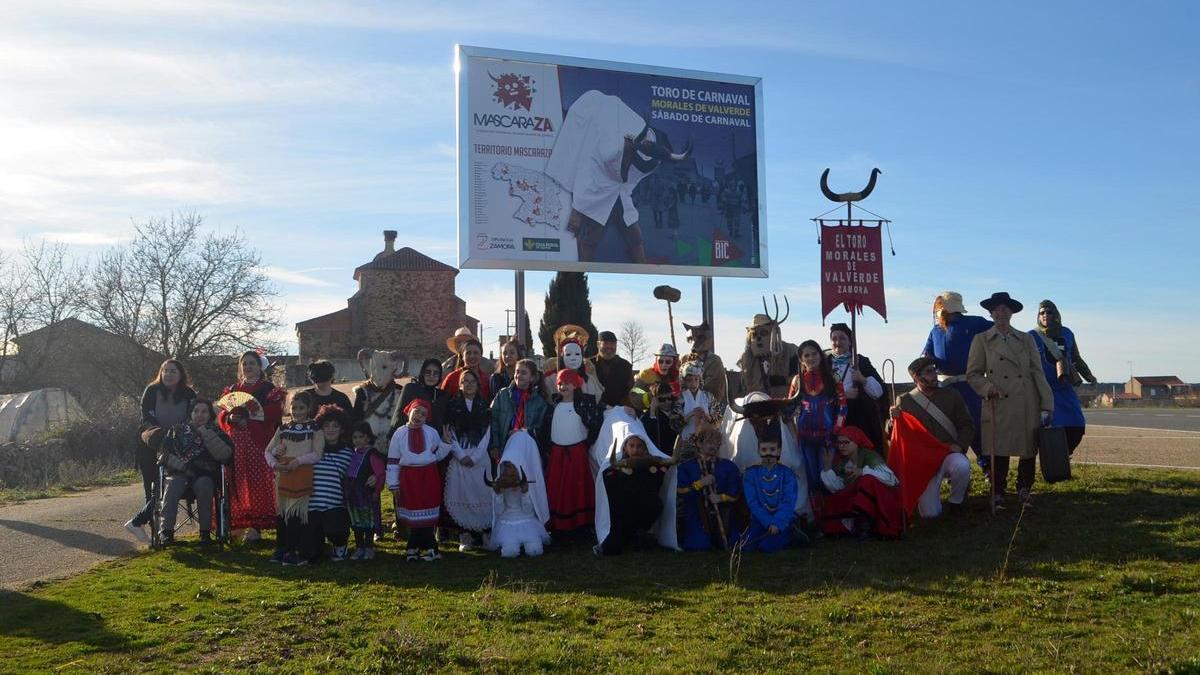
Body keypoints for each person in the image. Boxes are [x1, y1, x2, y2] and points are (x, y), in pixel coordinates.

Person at [967, 292, 1054, 510]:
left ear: (1012, 312)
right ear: (991, 313)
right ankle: (997, 492)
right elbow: (973, 374)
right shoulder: (981, 340)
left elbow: (1037, 372)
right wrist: (988, 388)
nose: (1001, 312)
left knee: (1028, 449)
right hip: (998, 401)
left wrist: (1046, 403)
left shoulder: (1027, 339)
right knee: (999, 449)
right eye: (997, 308)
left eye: (1006, 308)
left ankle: (1024, 489)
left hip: (1026, 401)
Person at [887, 357, 974, 518]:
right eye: (929, 372)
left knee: (961, 465)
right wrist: (892, 420)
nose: (934, 374)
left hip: (947, 452)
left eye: (934, 369)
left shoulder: (952, 395)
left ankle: (956, 503)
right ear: (917, 378)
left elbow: (967, 425)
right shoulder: (905, 400)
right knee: (930, 515)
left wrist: (959, 445)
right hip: (922, 461)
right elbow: (893, 432)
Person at [126, 359, 197, 543]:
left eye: (173, 371)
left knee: (165, 487)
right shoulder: (152, 390)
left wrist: (178, 435)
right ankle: (153, 533)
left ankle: (148, 526)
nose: (169, 374)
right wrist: (163, 434)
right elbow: (147, 416)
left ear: (181, 374)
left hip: (179, 446)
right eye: (165, 371)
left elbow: (194, 418)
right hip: (152, 445)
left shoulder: (189, 394)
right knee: (151, 489)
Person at [217, 351, 285, 541]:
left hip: (258, 441)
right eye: (245, 364)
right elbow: (222, 414)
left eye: (252, 364)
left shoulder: (267, 388)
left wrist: (250, 421)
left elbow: (273, 414)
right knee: (236, 481)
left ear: (259, 366)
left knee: (256, 482)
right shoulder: (232, 389)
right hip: (235, 442)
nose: (248, 367)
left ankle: (256, 525)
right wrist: (230, 418)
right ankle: (237, 524)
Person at [922, 291, 993, 461]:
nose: (939, 310)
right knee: (948, 428)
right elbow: (927, 355)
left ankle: (988, 470)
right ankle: (955, 468)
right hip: (945, 388)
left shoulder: (975, 323)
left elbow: (998, 331)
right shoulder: (935, 331)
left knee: (975, 427)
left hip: (971, 385)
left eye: (941, 306)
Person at [155, 399, 232, 547]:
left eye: (204, 411)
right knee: (172, 486)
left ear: (210, 415)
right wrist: (179, 464)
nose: (199, 415)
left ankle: (205, 534)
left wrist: (206, 434)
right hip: (179, 473)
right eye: (196, 411)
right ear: (190, 413)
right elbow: (162, 454)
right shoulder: (177, 430)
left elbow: (225, 454)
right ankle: (166, 533)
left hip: (205, 473)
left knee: (205, 485)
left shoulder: (216, 431)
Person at [387, 399, 453, 562]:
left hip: (428, 476)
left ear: (427, 418)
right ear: (408, 411)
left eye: (423, 414)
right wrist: (393, 483)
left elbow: (437, 455)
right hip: (408, 478)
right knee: (413, 513)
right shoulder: (399, 433)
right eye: (416, 411)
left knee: (427, 511)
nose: (419, 416)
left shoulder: (431, 432)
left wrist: (446, 443)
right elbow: (393, 460)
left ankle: (424, 547)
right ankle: (418, 547)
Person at [263, 391, 325, 565]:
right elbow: (268, 452)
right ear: (288, 408)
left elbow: (317, 453)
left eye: (301, 408)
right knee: (282, 514)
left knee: (296, 514)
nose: (297, 412)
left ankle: (292, 550)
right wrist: (275, 459)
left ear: (309, 408)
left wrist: (298, 461)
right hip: (283, 474)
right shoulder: (283, 428)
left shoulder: (314, 428)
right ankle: (281, 549)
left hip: (302, 474)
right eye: (294, 407)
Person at [540, 368, 603, 539]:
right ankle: (558, 525)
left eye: (567, 383)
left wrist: (587, 443)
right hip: (557, 455)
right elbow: (546, 429)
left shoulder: (584, 405)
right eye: (560, 383)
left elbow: (594, 424)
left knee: (578, 488)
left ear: (575, 384)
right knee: (557, 488)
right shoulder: (553, 406)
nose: (563, 386)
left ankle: (581, 525)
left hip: (577, 454)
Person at [1030, 299, 1096, 453]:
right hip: (1043, 391)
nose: (1045, 315)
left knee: (1077, 424)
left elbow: (1076, 358)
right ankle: (1053, 461)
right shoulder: (1031, 336)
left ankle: (1066, 454)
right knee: (1049, 427)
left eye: (1049, 312)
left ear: (1056, 314)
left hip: (1065, 388)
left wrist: (1088, 375)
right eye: (1042, 312)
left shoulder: (1067, 333)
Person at [816, 426, 903, 539]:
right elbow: (838, 487)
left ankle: (868, 526)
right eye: (839, 443)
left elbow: (891, 479)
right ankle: (845, 527)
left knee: (866, 481)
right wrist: (827, 468)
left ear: (856, 442)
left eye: (846, 442)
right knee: (836, 497)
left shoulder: (870, 456)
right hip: (860, 501)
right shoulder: (844, 462)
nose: (841, 446)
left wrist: (863, 471)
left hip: (884, 499)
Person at [593, 429, 670, 555]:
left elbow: (656, 483)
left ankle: (640, 533)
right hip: (622, 513)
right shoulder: (615, 468)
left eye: (639, 446)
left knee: (655, 504)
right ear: (625, 448)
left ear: (645, 448)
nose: (635, 450)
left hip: (643, 510)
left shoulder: (652, 467)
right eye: (632, 446)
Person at [443, 370, 494, 551]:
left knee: (483, 494)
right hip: (460, 458)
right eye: (465, 381)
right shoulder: (452, 406)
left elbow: (487, 433)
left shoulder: (484, 406)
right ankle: (465, 535)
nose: (469, 384)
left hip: (480, 459)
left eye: (473, 381)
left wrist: (475, 456)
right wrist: (461, 455)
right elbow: (449, 433)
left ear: (478, 384)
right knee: (462, 494)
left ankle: (486, 532)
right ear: (460, 384)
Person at [788, 340, 848, 491]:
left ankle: (830, 512)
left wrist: (836, 430)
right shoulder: (797, 380)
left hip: (828, 437)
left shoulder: (834, 377)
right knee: (810, 479)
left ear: (820, 356)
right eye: (806, 355)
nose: (811, 358)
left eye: (814, 354)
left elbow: (843, 407)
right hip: (805, 438)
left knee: (826, 476)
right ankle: (814, 514)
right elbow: (789, 408)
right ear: (801, 359)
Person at [676, 426, 742, 551]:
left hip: (723, 512)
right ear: (699, 443)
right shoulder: (687, 467)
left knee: (732, 543)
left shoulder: (728, 466)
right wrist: (699, 484)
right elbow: (680, 490)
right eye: (709, 442)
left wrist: (721, 498)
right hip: (697, 512)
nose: (714, 446)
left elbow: (735, 491)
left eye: (717, 443)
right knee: (699, 545)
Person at [488, 431, 550, 558]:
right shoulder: (500, 482)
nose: (508, 469)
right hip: (507, 523)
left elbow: (528, 511)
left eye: (511, 466)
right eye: (506, 466)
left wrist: (525, 493)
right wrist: (498, 495)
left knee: (535, 550)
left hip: (526, 521)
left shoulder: (525, 482)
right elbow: (499, 512)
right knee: (509, 553)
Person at [827, 323, 886, 452]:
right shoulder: (824, 364)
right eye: (834, 339)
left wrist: (863, 379)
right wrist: (844, 396)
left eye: (842, 338)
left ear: (850, 342)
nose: (837, 342)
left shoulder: (860, 361)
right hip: (831, 417)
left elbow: (879, 392)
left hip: (858, 418)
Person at [306, 404, 354, 563]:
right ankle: (318, 545)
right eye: (326, 426)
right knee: (311, 553)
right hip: (312, 506)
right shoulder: (311, 450)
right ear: (320, 428)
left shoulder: (348, 453)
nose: (331, 429)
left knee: (337, 529)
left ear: (342, 429)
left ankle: (340, 545)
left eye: (335, 426)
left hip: (335, 506)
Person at [740, 428, 799, 552]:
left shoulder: (787, 474)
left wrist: (777, 523)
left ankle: (791, 533)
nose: (768, 453)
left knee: (766, 547)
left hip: (782, 520)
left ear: (778, 452)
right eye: (764, 449)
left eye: (772, 449)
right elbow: (753, 502)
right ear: (759, 451)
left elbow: (789, 501)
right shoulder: (751, 474)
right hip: (760, 520)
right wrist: (767, 522)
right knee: (747, 547)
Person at [489, 358, 549, 463]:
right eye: (517, 372)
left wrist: (522, 432)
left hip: (527, 449)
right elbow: (493, 421)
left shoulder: (539, 402)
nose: (519, 375)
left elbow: (541, 428)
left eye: (524, 373)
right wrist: (495, 445)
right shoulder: (502, 395)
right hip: (504, 446)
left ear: (532, 378)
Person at [344, 421, 385, 560]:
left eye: (361, 437)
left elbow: (380, 473)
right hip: (353, 494)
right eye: (355, 437)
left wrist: (376, 491)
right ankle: (359, 547)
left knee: (368, 522)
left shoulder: (372, 453)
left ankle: (369, 548)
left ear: (368, 437)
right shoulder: (353, 453)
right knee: (356, 522)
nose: (358, 440)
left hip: (366, 494)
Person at [681, 321, 727, 404]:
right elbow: (680, 382)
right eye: (691, 339)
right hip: (686, 403)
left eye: (699, 338)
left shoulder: (714, 360)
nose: (694, 341)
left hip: (709, 404)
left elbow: (713, 385)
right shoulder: (685, 359)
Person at [591, 330, 634, 409]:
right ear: (598, 344)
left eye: (612, 344)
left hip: (619, 412)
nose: (609, 347)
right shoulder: (589, 364)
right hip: (593, 411)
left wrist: (622, 409)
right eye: (606, 343)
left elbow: (630, 391)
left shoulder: (625, 366)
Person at [442, 337, 491, 401]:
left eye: (476, 353)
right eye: (468, 353)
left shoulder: (486, 380)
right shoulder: (452, 378)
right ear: (462, 356)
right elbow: (442, 400)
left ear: (481, 356)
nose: (472, 356)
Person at [678, 361, 713, 448]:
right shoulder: (680, 398)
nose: (693, 383)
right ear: (684, 381)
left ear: (700, 379)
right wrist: (691, 414)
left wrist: (705, 415)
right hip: (686, 442)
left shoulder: (708, 396)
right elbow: (675, 423)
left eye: (696, 379)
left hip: (706, 442)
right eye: (689, 380)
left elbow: (717, 419)